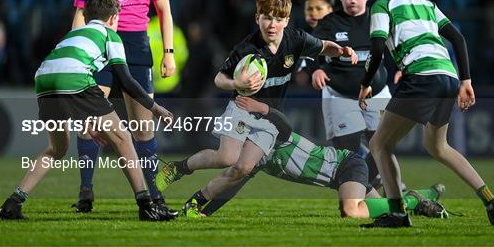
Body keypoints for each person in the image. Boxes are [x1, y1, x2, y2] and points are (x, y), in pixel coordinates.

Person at [156, 0, 357, 215]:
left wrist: (341, 50)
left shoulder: (296, 39)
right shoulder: (247, 47)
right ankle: (178, 168)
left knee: (243, 167)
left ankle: (196, 203)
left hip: (269, 117)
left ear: (286, 21)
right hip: (241, 107)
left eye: (278, 19)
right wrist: (236, 84)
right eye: (267, 17)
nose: (272, 24)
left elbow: (323, 46)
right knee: (227, 157)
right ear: (257, 18)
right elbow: (219, 78)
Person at [358, 0, 494, 228]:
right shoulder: (423, 1)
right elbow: (458, 38)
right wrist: (466, 80)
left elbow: (377, 49)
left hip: (422, 77)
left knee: (380, 144)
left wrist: (365, 84)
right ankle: (492, 201)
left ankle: (397, 214)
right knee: (438, 146)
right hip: (447, 76)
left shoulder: (382, 5)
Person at [0, 0, 175, 221]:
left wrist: (87, 120)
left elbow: (64, 73)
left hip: (44, 81)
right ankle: (146, 204)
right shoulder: (109, 35)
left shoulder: (73, 34)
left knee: (57, 149)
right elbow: (126, 80)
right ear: (112, 18)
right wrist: (155, 108)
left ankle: (13, 202)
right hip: (73, 79)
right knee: (123, 138)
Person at [186, 96, 448, 221]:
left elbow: (283, 124)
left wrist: (262, 109)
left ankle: (412, 200)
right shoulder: (253, 159)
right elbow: (230, 186)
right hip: (341, 177)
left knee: (350, 211)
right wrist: (201, 211)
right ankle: (420, 199)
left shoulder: (271, 134)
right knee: (382, 212)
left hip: (347, 165)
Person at [70, 0, 176, 213]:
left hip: (136, 48)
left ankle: (154, 194)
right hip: (100, 44)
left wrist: (168, 54)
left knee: (143, 128)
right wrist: (77, 49)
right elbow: (80, 12)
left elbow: (164, 12)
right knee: (89, 123)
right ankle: (86, 191)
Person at [310, 0, 395, 189]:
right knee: (348, 152)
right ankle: (361, 190)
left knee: (384, 146)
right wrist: (317, 69)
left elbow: (398, 45)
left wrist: (404, 67)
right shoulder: (329, 22)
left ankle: (362, 187)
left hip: (376, 93)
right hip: (340, 95)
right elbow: (312, 48)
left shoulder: (381, 19)